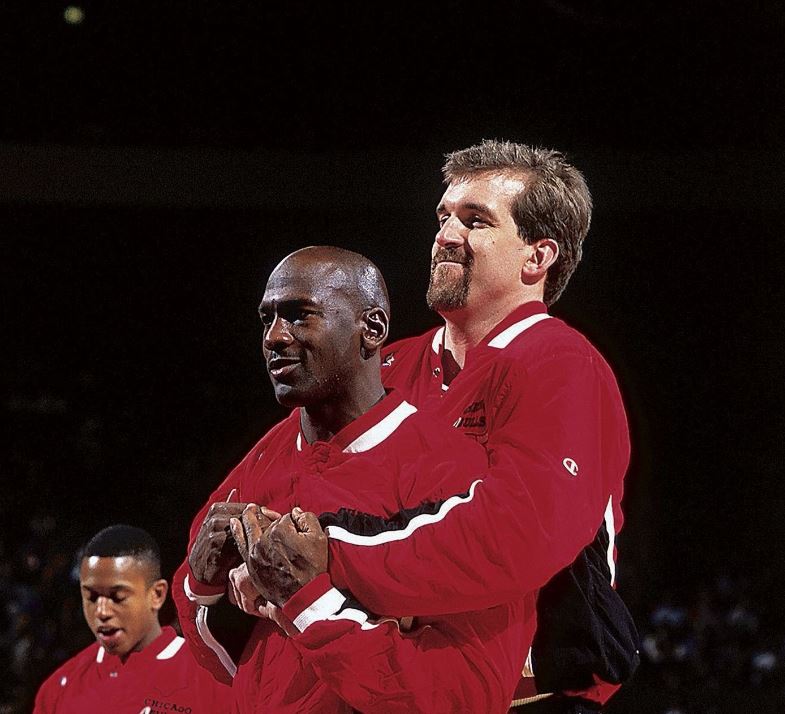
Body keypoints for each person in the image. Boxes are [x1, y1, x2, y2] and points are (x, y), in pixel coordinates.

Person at [240, 141, 639, 712]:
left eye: (475, 221)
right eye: (443, 216)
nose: (446, 235)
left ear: (538, 256)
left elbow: (517, 536)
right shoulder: (386, 365)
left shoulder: (559, 363)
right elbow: (279, 484)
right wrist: (246, 551)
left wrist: (327, 555)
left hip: (532, 696)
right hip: (383, 686)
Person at [173, 246, 534, 713]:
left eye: (299, 315)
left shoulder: (448, 472)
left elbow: (467, 694)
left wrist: (309, 603)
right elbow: (222, 661)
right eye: (267, 319)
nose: (275, 337)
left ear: (372, 329)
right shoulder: (264, 458)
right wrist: (199, 588)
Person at [33, 524, 230, 714]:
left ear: (157, 594)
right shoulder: (58, 688)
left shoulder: (211, 679)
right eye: (92, 597)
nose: (102, 611)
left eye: (117, 597)